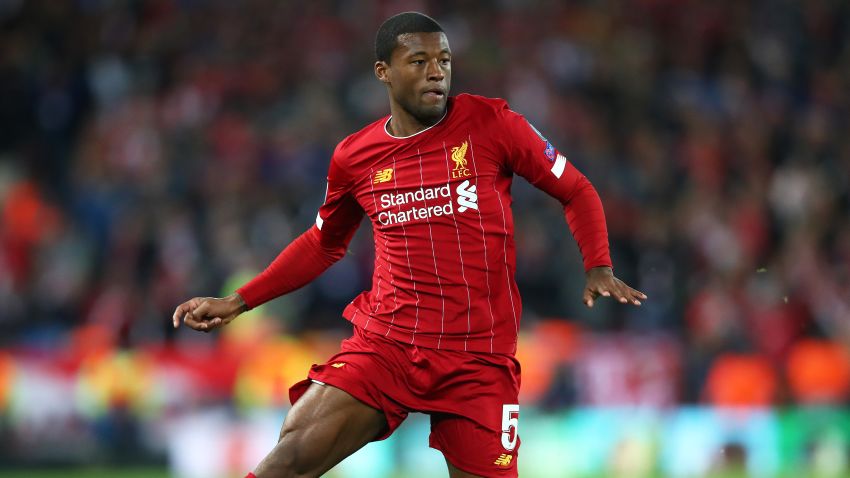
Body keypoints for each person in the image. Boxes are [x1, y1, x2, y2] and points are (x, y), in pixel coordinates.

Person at [172, 11, 646, 478]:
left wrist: (597, 264)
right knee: (289, 459)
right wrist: (239, 300)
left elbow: (576, 189)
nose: (436, 71)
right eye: (419, 61)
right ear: (384, 72)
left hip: (477, 358)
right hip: (389, 345)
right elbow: (322, 244)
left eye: (443, 60)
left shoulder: (492, 124)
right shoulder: (354, 158)